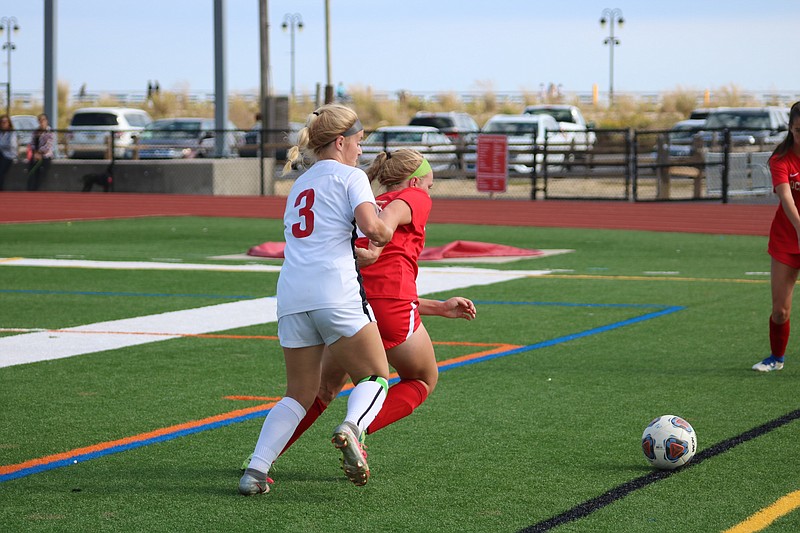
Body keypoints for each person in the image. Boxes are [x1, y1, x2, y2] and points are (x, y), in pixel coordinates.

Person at [276, 148, 476, 456]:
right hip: (390, 305)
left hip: (350, 303)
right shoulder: (413, 198)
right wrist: (381, 244)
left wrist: (438, 307)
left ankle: (264, 455)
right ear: (415, 181)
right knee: (423, 378)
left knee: (323, 390)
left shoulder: (365, 205)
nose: (428, 192)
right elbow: (390, 223)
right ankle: (357, 428)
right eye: (429, 185)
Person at [238, 104, 394, 495]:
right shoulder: (351, 176)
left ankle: (255, 471)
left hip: (292, 293)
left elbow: (315, 238)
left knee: (298, 393)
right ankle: (353, 427)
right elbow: (372, 229)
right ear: (341, 141)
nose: (361, 150)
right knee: (375, 376)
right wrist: (386, 228)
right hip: (336, 292)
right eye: (359, 141)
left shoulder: (299, 185)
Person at [753, 101, 800, 372]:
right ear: (790, 128)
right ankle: (776, 358)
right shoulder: (780, 159)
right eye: (798, 129)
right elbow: (786, 197)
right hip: (786, 239)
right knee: (781, 311)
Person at [27, 114, 55, 191]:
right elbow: (32, 143)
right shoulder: (35, 132)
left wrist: (39, 153)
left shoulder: (50, 132)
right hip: (35, 155)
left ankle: (37, 190)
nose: (41, 122)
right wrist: (34, 152)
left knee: (41, 174)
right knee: (31, 172)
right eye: (40, 120)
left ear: (46, 121)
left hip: (45, 156)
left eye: (43, 120)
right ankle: (30, 190)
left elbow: (48, 145)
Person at [0, 115, 17, 190]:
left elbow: (11, 145)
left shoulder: (12, 133)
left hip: (8, 155)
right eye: (2, 122)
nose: (3, 124)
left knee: (1, 171)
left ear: (9, 123)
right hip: (1, 153)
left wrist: (1, 145)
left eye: (5, 122)